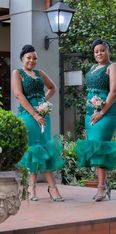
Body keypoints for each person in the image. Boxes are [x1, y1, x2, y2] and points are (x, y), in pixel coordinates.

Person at [11, 44, 64, 202]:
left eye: (34, 58)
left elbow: (52, 88)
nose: (32, 60)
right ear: (22, 59)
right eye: (29, 57)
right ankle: (50, 187)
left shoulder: (40, 73)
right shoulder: (17, 73)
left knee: (43, 147)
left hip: (42, 114)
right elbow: (19, 95)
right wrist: (34, 113)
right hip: (28, 115)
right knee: (34, 148)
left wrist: (43, 103)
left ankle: (32, 188)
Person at [75, 38, 116, 202]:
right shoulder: (94, 68)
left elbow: (114, 91)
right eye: (96, 51)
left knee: (100, 147)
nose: (99, 53)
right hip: (91, 112)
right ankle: (103, 184)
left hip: (107, 112)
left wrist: (101, 112)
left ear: (108, 50)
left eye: (102, 50)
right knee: (95, 147)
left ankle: (101, 187)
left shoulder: (113, 67)